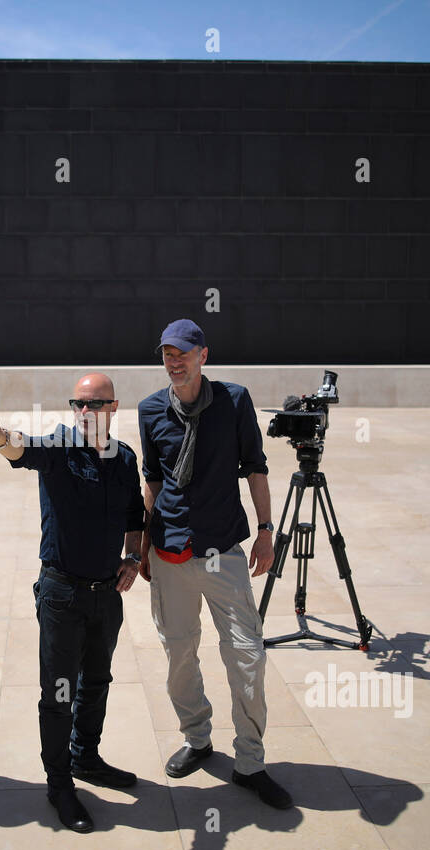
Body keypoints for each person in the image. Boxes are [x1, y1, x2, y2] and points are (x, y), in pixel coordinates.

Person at [0, 374, 145, 833]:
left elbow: (134, 517)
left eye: (95, 405)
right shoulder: (59, 448)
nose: (85, 413)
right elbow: (21, 449)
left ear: (114, 407)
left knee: (98, 680)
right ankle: (60, 785)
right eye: (78, 405)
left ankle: (86, 756)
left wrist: (132, 557)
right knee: (58, 694)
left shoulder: (124, 458)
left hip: (107, 594)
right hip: (62, 594)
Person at [137, 319, 292, 810]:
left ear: (204, 355)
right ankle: (197, 738)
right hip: (170, 553)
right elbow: (153, 482)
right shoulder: (150, 410)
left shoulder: (234, 401)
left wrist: (267, 530)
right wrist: (141, 545)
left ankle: (250, 761)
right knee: (180, 652)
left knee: (247, 654)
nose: (174, 360)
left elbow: (256, 466)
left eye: (183, 352)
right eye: (167, 353)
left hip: (223, 550)